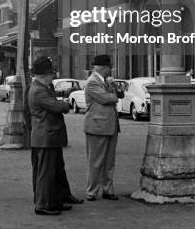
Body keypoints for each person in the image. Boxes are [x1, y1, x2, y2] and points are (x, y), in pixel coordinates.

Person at [28, 56, 83, 215]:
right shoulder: (39, 90)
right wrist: (66, 104)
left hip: (48, 136)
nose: (53, 76)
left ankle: (55, 200)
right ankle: (43, 205)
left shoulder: (43, 87)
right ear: (44, 75)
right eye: (51, 74)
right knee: (46, 172)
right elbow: (57, 107)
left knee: (55, 170)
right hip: (45, 137)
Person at [83, 54, 124, 201]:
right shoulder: (92, 82)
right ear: (102, 68)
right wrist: (113, 93)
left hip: (110, 126)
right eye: (108, 67)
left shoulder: (106, 82)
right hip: (97, 127)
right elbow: (107, 99)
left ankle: (108, 189)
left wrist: (114, 86)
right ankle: (92, 191)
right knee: (95, 161)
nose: (110, 70)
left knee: (109, 161)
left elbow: (121, 94)